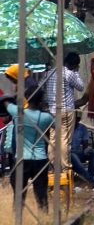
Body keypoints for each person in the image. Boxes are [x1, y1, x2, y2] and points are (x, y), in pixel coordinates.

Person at [3, 79, 53, 210]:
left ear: (26, 98)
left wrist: (14, 95)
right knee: (41, 195)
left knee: (19, 195)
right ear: (41, 100)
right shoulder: (46, 117)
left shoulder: (17, 112)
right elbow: (56, 126)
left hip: (22, 160)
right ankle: (45, 220)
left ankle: (18, 223)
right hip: (40, 160)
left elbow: (5, 101)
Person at [42, 51, 84, 173]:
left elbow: (40, 87)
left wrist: (47, 101)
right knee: (65, 139)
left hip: (52, 111)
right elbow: (81, 86)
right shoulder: (69, 73)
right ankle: (65, 167)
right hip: (66, 110)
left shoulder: (49, 73)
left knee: (53, 139)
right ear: (74, 64)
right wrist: (76, 72)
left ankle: (53, 166)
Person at [69, 121, 94, 188]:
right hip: (68, 153)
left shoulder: (82, 128)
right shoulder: (66, 127)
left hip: (78, 152)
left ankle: (90, 176)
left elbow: (85, 144)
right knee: (74, 157)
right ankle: (91, 180)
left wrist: (87, 149)